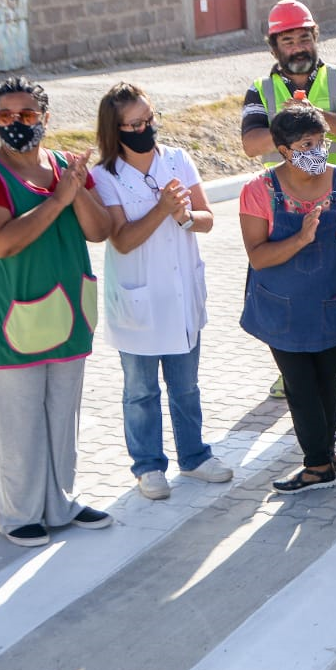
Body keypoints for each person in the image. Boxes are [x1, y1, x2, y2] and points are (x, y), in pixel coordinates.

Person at [0, 76, 113, 546]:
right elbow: (2, 243)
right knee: (20, 424)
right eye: (6, 116)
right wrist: (58, 199)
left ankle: (60, 503)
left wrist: (77, 189)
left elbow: (99, 231)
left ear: (45, 118)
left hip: (65, 317)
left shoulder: (65, 165)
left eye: (26, 115)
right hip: (7, 323)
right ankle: (19, 514)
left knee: (62, 418)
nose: (16, 124)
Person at [92, 83, 231, 500]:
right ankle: (148, 466)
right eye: (133, 124)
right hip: (139, 299)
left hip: (182, 292)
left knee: (186, 386)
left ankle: (194, 456)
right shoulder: (105, 176)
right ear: (115, 130)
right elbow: (122, 239)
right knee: (140, 391)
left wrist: (186, 216)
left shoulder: (176, 158)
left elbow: (206, 218)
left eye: (148, 120)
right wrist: (162, 209)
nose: (143, 129)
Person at [240, 0, 336, 400]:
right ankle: (291, 367)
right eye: (289, 40)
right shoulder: (260, 90)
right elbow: (251, 144)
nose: (298, 47)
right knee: (287, 285)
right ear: (274, 47)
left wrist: (314, 115)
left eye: (304, 37)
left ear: (315, 38)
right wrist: (287, 125)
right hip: (281, 205)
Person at [239, 105, 336, 494]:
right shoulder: (258, 191)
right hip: (283, 310)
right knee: (301, 386)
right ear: (283, 150)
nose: (316, 150)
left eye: (321, 141)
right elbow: (258, 256)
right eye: (305, 144)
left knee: (329, 381)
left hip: (334, 301)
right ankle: (317, 463)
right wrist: (301, 238)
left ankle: (323, 454)